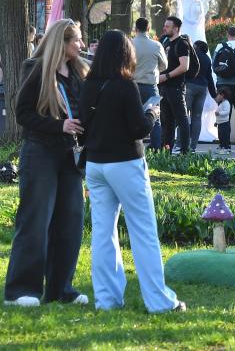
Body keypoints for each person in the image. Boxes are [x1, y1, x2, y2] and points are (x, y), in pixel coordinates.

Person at [79, 30, 185, 313]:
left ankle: (106, 300)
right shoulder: (125, 86)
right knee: (143, 231)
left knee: (102, 233)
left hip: (96, 165)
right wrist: (152, 112)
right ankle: (159, 301)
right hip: (125, 162)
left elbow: (83, 124)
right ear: (126, 55)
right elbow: (139, 128)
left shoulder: (89, 84)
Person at [4, 19, 89, 307]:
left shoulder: (78, 72)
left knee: (71, 221)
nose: (81, 45)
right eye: (76, 40)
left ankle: (60, 288)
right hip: (40, 153)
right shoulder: (37, 69)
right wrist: (58, 126)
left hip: (70, 156)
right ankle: (20, 291)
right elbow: (23, 113)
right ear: (61, 42)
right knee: (36, 221)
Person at [158, 16, 191, 154]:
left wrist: (166, 76)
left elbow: (185, 66)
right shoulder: (165, 42)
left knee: (182, 120)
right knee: (166, 121)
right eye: (165, 25)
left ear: (176, 28)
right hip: (164, 88)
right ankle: (167, 151)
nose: (164, 28)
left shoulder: (182, 43)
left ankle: (184, 151)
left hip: (176, 88)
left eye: (167, 26)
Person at [132, 17, 166, 150]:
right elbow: (164, 65)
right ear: (148, 28)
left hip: (132, 85)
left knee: (132, 116)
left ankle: (134, 147)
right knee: (155, 116)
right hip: (150, 85)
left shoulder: (129, 43)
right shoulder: (156, 45)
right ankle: (157, 149)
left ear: (136, 28)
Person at [184, 40, 217, 153]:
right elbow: (210, 78)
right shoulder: (207, 59)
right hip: (202, 88)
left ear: (196, 47)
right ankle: (193, 146)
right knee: (197, 117)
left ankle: (180, 144)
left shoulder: (192, 56)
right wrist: (214, 95)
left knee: (183, 115)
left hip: (189, 86)